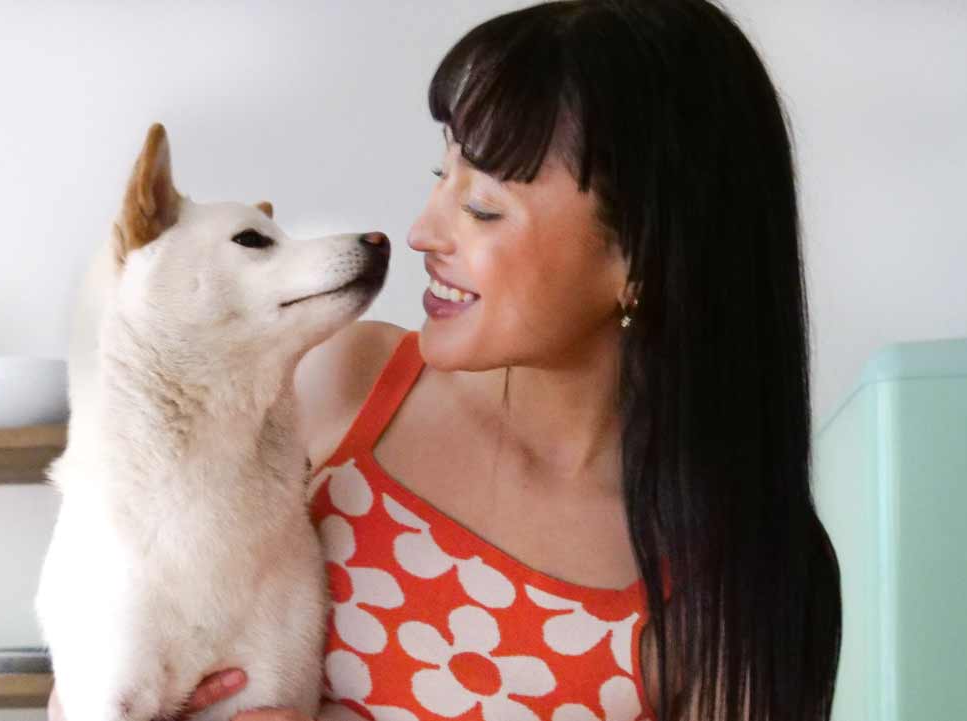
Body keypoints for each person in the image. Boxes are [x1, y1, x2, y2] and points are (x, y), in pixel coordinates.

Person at [61, 2, 841, 720]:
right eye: (442, 175)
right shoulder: (334, 383)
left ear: (642, 255)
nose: (424, 230)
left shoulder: (739, 579)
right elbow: (93, 658)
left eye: (482, 207)